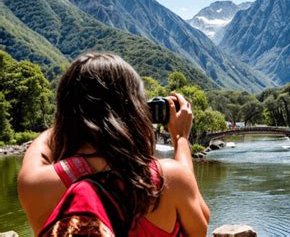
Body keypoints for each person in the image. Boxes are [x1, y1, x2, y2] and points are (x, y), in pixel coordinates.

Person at [17, 52, 210, 236]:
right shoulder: (168, 180)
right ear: (135, 112)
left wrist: (73, 119)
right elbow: (200, 226)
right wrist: (181, 138)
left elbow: (42, 144)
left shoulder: (36, 185)